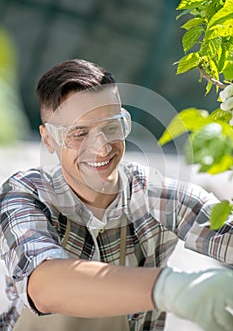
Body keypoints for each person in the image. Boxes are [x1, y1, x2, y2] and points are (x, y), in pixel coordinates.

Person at [0, 58, 232, 331]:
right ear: (48, 139)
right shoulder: (26, 194)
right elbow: (43, 287)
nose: (101, 149)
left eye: (111, 127)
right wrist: (170, 288)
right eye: (79, 133)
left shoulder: (155, 196)